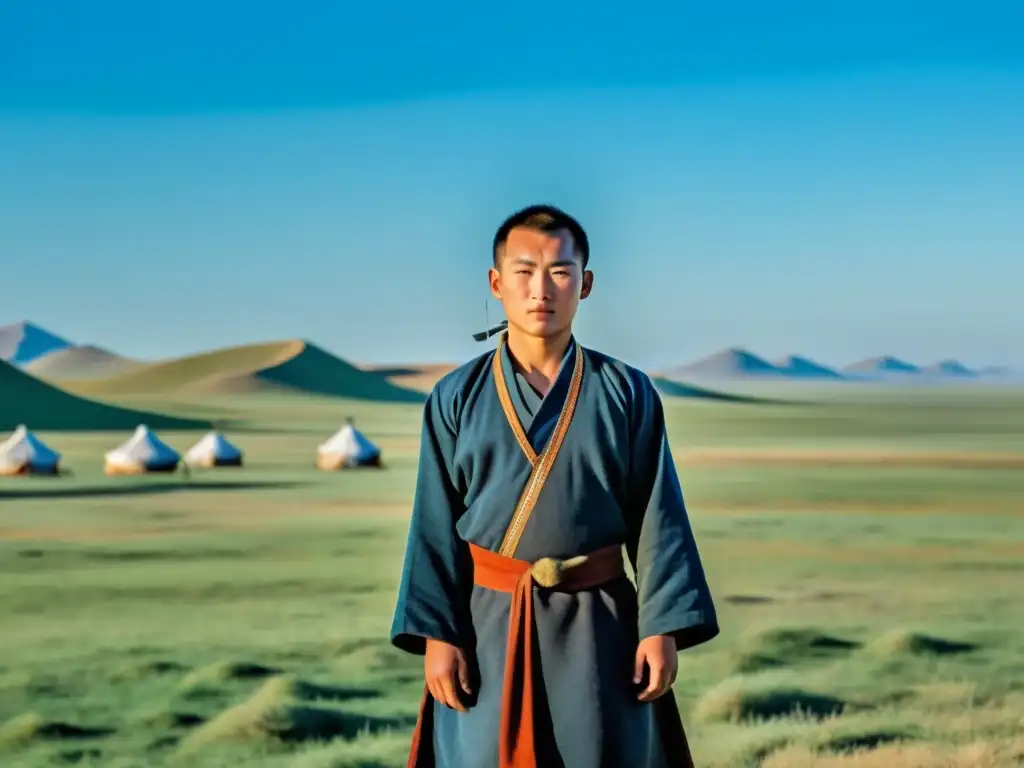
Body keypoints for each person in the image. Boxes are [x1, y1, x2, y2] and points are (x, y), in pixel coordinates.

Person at [389, 204, 719, 767]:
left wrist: (660, 627)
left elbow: (658, 518)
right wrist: (439, 638)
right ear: (497, 284)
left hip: (600, 626)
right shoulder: (455, 397)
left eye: (560, 271)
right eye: (523, 271)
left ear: (584, 284)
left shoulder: (627, 393)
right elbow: (433, 526)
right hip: (487, 626)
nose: (541, 288)